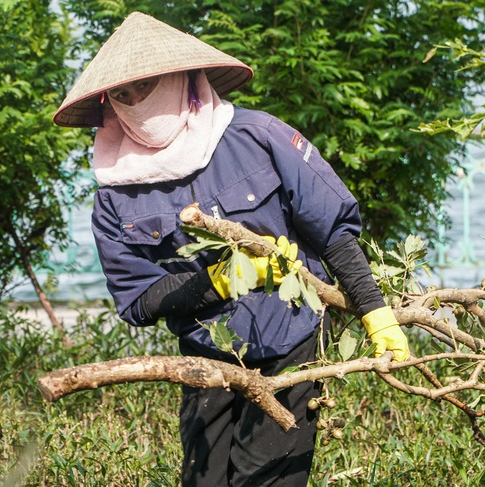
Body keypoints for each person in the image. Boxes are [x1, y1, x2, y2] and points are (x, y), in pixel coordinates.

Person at [53, 11, 410, 487]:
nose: (136, 101)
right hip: (205, 356)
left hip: (291, 342)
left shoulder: (259, 136)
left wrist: (375, 312)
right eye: (123, 94)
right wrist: (217, 280)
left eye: (148, 85)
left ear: (182, 78)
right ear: (108, 104)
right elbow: (138, 301)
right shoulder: (116, 191)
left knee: (267, 480)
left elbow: (332, 230)